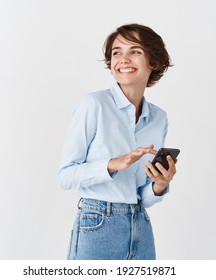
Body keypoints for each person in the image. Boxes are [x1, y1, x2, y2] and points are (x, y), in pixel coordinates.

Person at [57, 23, 177, 260]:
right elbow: (65, 176)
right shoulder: (94, 105)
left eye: (135, 51)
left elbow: (141, 195)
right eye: (116, 52)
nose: (123, 59)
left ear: (153, 62)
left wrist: (161, 184)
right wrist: (113, 164)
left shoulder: (158, 118)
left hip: (140, 224)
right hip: (97, 223)